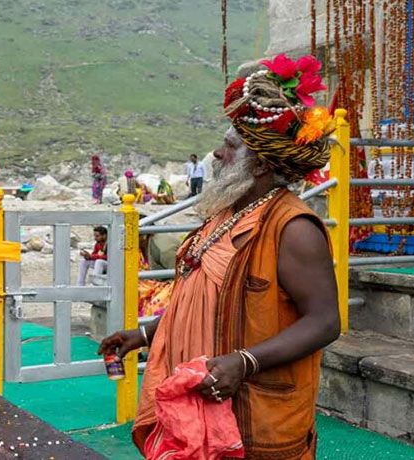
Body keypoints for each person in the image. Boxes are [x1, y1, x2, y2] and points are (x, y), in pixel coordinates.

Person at [98, 54, 340, 459]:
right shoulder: (227, 215)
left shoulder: (294, 228)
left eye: (230, 147)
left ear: (261, 164)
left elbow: (325, 322)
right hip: (196, 398)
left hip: (251, 409)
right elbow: (204, 301)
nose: (216, 153)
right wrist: (143, 335)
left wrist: (243, 362)